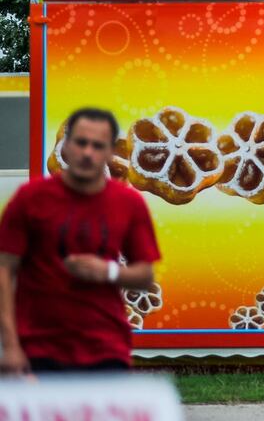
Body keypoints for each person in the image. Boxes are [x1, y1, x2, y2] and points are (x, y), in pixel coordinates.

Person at [0, 107, 161, 373]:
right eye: (81, 142)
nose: (88, 153)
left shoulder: (128, 203)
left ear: (111, 152)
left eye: (98, 146)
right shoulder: (29, 200)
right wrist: (10, 345)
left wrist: (107, 271)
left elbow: (145, 274)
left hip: (106, 347)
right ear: (66, 145)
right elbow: (5, 269)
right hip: (39, 347)